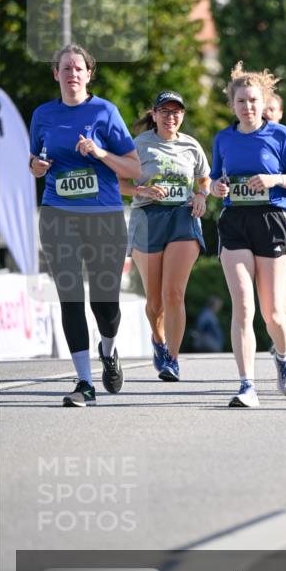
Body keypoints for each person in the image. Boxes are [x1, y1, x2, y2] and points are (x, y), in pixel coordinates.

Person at [29, 44, 140, 407]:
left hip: (103, 217)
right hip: (58, 215)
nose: (72, 73)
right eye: (66, 68)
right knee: (71, 297)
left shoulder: (105, 112)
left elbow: (134, 169)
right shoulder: (43, 115)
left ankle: (108, 350)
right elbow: (35, 159)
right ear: (56, 74)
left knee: (104, 303)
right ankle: (84, 382)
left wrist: (99, 153)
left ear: (89, 74)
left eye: (79, 68)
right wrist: (37, 167)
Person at [210, 62, 286, 408]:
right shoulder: (223, 138)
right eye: (241, 101)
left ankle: (283, 357)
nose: (248, 107)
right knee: (242, 306)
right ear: (232, 104)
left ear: (263, 101)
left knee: (273, 313)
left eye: (254, 100)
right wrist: (216, 187)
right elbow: (213, 181)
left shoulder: (281, 136)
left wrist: (275, 179)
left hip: (273, 222)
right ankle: (246, 385)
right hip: (235, 221)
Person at [119, 90, 210, 381]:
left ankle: (172, 358)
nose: (172, 117)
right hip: (148, 218)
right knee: (154, 301)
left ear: (182, 115)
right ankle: (157, 339)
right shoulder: (140, 145)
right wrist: (141, 190)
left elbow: (204, 179)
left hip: (182, 218)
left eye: (177, 112)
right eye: (166, 112)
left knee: (174, 293)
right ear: (155, 115)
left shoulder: (191, 146)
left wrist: (201, 195)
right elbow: (119, 182)